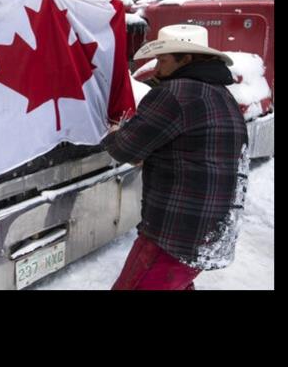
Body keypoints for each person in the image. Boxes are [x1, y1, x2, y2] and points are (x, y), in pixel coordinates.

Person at [103, 24, 249, 290]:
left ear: (188, 58)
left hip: (175, 234)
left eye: (163, 59)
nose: (157, 69)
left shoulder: (176, 93)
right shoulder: (222, 95)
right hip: (210, 231)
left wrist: (113, 131)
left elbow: (125, 149)